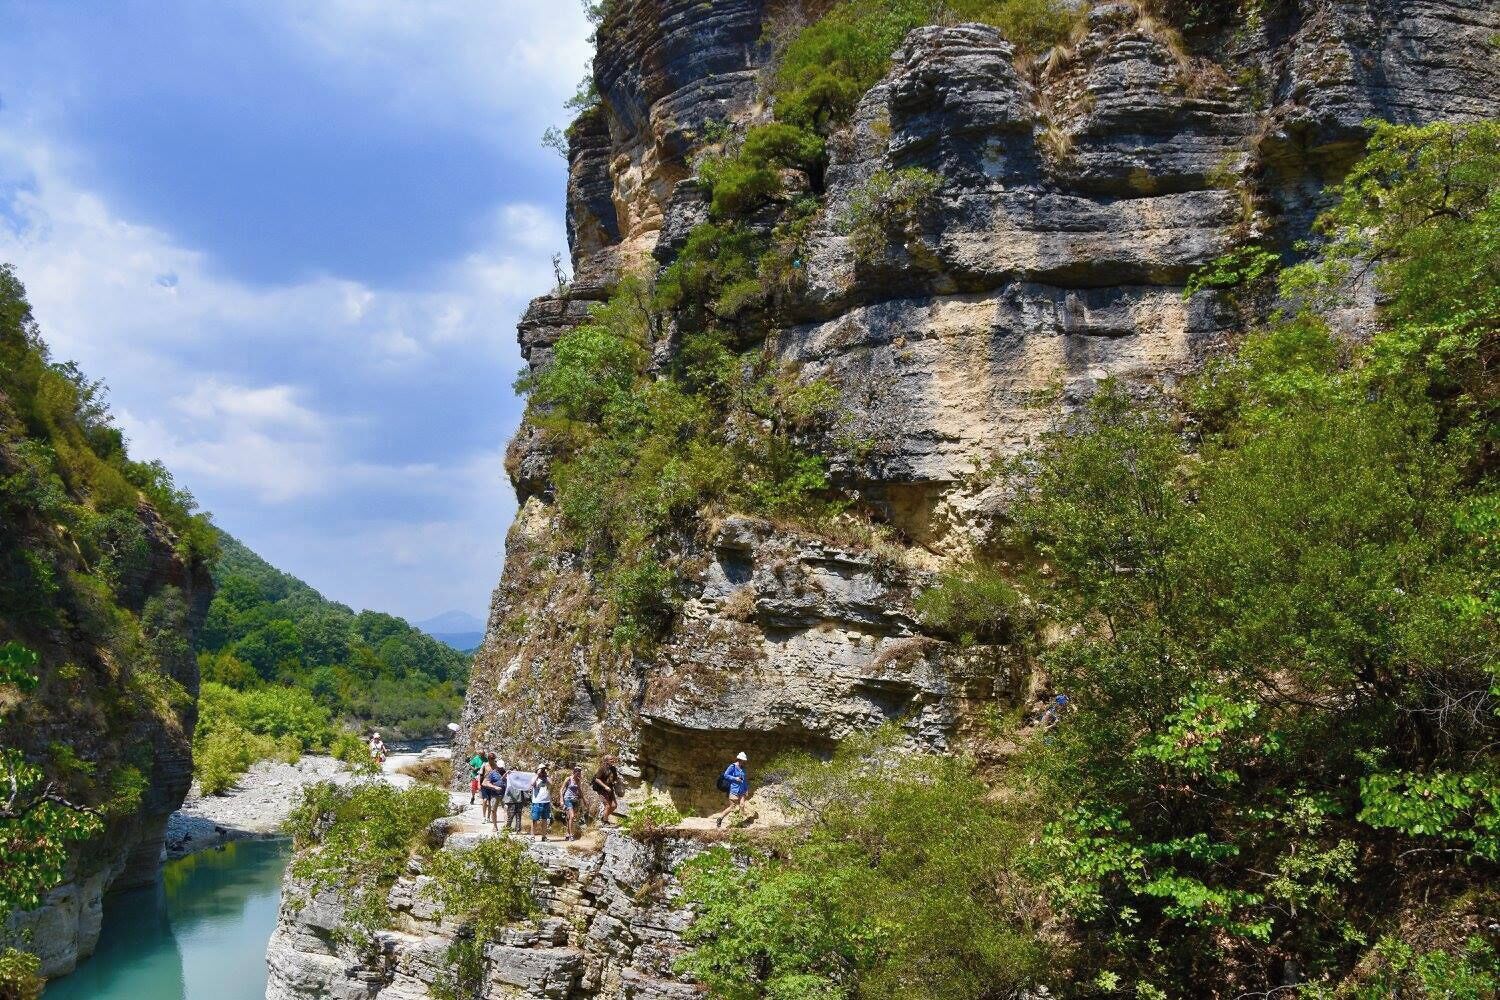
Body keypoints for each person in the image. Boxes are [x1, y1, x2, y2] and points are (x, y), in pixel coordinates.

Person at [713, 752, 750, 828]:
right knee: (732, 807)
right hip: (734, 789)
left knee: (742, 805)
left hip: (742, 790)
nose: (744, 762)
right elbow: (726, 775)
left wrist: (746, 789)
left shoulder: (743, 769)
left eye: (744, 760)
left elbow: (744, 780)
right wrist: (735, 778)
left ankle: (741, 821)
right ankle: (720, 818)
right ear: (739, 759)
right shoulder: (732, 766)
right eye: (743, 760)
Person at [592, 755, 621, 826]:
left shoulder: (613, 768)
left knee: (614, 806)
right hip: (602, 790)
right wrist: (605, 786)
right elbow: (597, 779)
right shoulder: (602, 768)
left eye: (613, 759)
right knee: (607, 806)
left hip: (610, 789)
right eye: (611, 759)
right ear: (606, 761)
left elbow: (614, 779)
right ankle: (605, 822)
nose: (613, 760)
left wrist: (616, 782)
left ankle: (604, 817)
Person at [480, 754, 505, 831]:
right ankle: (486, 818)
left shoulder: (501, 769)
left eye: (493, 758)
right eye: (491, 758)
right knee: (487, 802)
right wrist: (480, 785)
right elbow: (482, 778)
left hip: (499, 791)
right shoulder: (486, 766)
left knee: (492, 803)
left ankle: (489, 817)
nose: (492, 759)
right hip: (488, 788)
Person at [503, 768, 530, 833]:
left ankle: (518, 830)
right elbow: (502, 778)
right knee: (510, 815)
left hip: (519, 799)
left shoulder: (520, 780)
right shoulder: (509, 779)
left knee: (518, 815)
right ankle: (507, 830)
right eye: (513, 772)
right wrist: (507, 773)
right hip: (511, 800)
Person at [531, 766, 553, 841]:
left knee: (545, 819)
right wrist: (538, 774)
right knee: (535, 819)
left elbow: (551, 783)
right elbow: (532, 783)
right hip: (537, 802)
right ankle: (532, 836)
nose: (543, 771)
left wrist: (546, 776)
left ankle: (544, 836)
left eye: (544, 770)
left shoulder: (547, 778)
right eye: (542, 770)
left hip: (546, 801)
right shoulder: (535, 777)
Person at [562, 765, 584, 841]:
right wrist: (561, 799)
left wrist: (583, 799)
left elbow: (579, 790)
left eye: (579, 773)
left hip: (575, 800)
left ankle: (567, 834)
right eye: (577, 772)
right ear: (574, 772)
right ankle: (571, 835)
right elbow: (562, 789)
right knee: (572, 816)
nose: (578, 774)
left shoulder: (578, 780)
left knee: (569, 817)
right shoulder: (568, 779)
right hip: (567, 799)